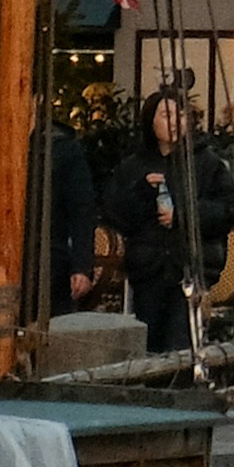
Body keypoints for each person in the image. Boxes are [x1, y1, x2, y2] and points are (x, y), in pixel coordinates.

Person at [98, 84, 204, 350]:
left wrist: (181, 215)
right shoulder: (134, 165)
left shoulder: (203, 163)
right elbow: (115, 212)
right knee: (149, 341)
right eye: (166, 116)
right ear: (151, 120)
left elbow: (226, 207)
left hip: (189, 264)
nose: (174, 123)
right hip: (148, 267)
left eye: (180, 115)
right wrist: (143, 192)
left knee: (181, 342)